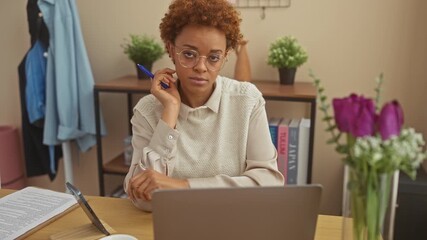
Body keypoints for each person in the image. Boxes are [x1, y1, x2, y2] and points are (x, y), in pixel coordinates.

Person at [124, 0, 284, 211]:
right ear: (171, 50)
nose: (201, 67)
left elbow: (269, 184)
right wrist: (170, 113)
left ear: (225, 56)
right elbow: (141, 198)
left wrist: (181, 187)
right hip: (172, 222)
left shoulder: (247, 100)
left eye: (214, 57)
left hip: (232, 220)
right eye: (189, 54)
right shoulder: (147, 110)